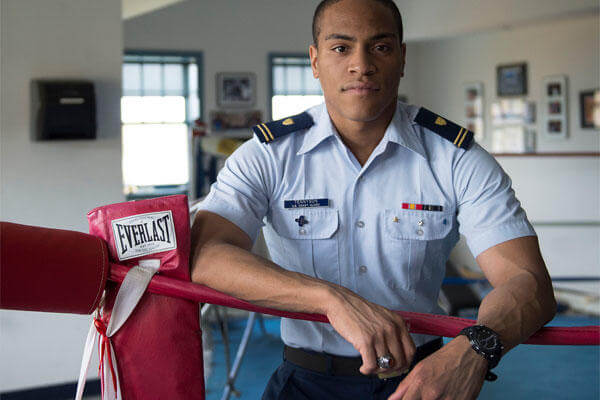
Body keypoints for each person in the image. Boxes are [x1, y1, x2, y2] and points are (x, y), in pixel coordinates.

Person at [190, 0, 557, 398]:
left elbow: (529, 283)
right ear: (315, 61)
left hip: (423, 378)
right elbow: (207, 253)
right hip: (306, 379)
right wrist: (331, 300)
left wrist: (474, 350)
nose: (361, 65)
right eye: (341, 48)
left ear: (401, 58)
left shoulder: (455, 157)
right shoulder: (268, 154)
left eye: (380, 47)